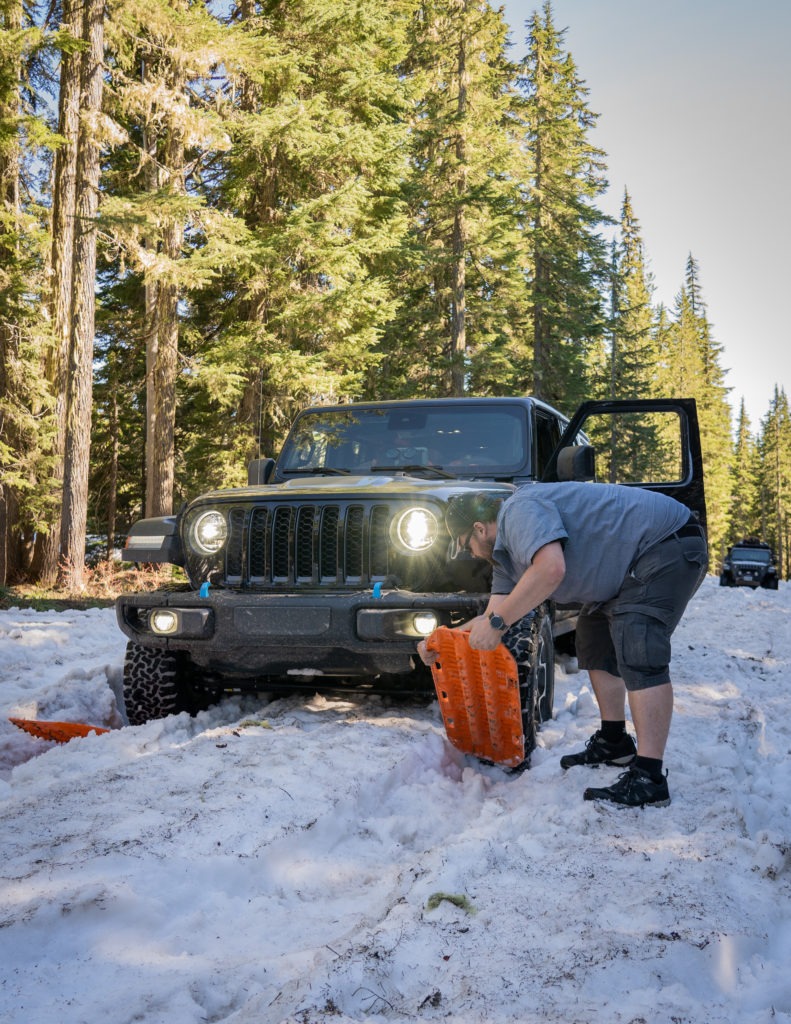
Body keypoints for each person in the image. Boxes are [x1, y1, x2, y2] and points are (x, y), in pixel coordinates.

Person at [416, 485, 708, 807]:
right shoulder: (505, 560)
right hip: (631, 568)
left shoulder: (517, 511)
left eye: (465, 546)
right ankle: (615, 742)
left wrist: (498, 625)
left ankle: (649, 778)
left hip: (667, 544)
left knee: (637, 641)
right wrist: (440, 641)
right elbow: (491, 617)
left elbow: (551, 569)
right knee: (593, 635)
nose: (470, 554)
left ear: (479, 529)